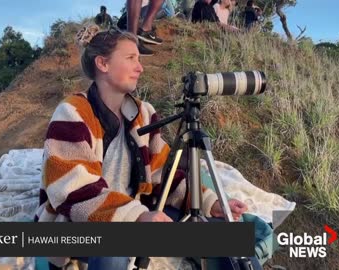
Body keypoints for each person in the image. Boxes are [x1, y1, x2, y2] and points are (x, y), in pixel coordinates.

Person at [35, 24, 248, 269]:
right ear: (103, 64)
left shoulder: (144, 113)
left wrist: (211, 202)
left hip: (131, 214)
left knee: (222, 230)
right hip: (76, 220)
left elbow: (162, 175)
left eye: (139, 58)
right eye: (130, 58)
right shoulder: (72, 112)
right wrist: (136, 217)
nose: (140, 67)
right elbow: (71, 189)